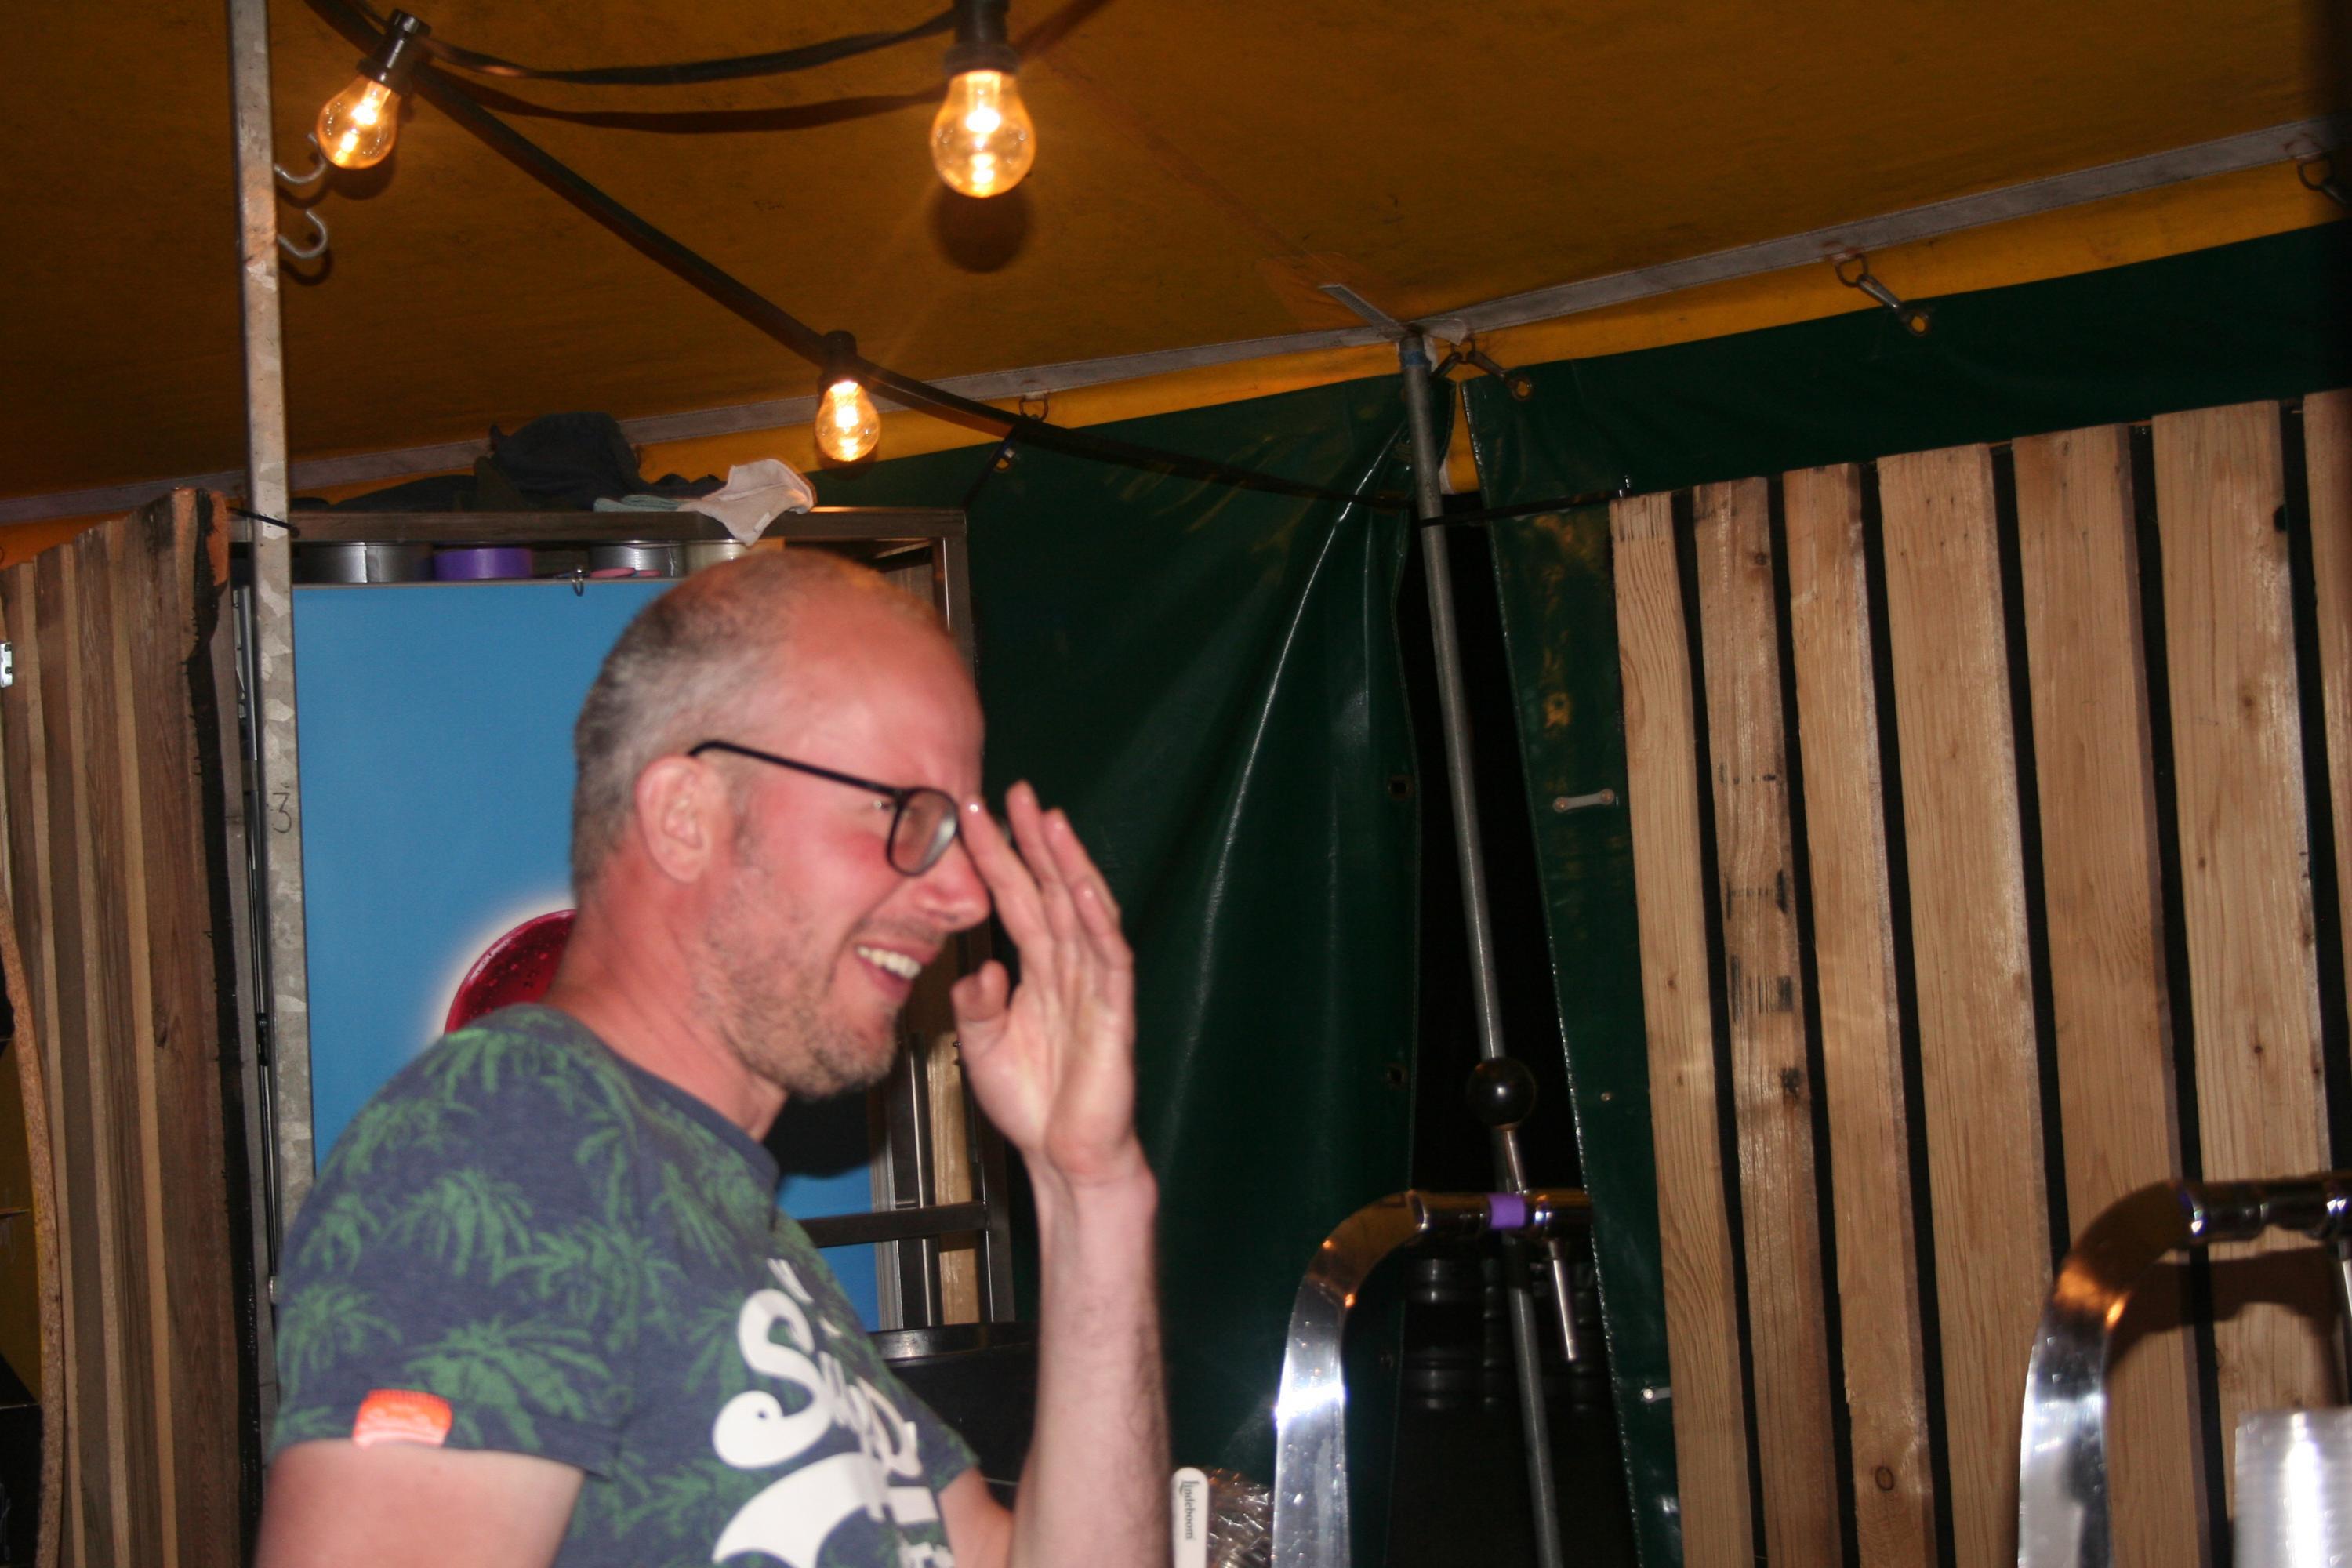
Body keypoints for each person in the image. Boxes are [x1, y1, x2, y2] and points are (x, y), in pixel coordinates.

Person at [253, 552, 1167, 1568]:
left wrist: (1092, 1189)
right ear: (686, 817)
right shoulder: (503, 1143)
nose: (964, 897)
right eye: (902, 813)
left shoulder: (744, 1241)